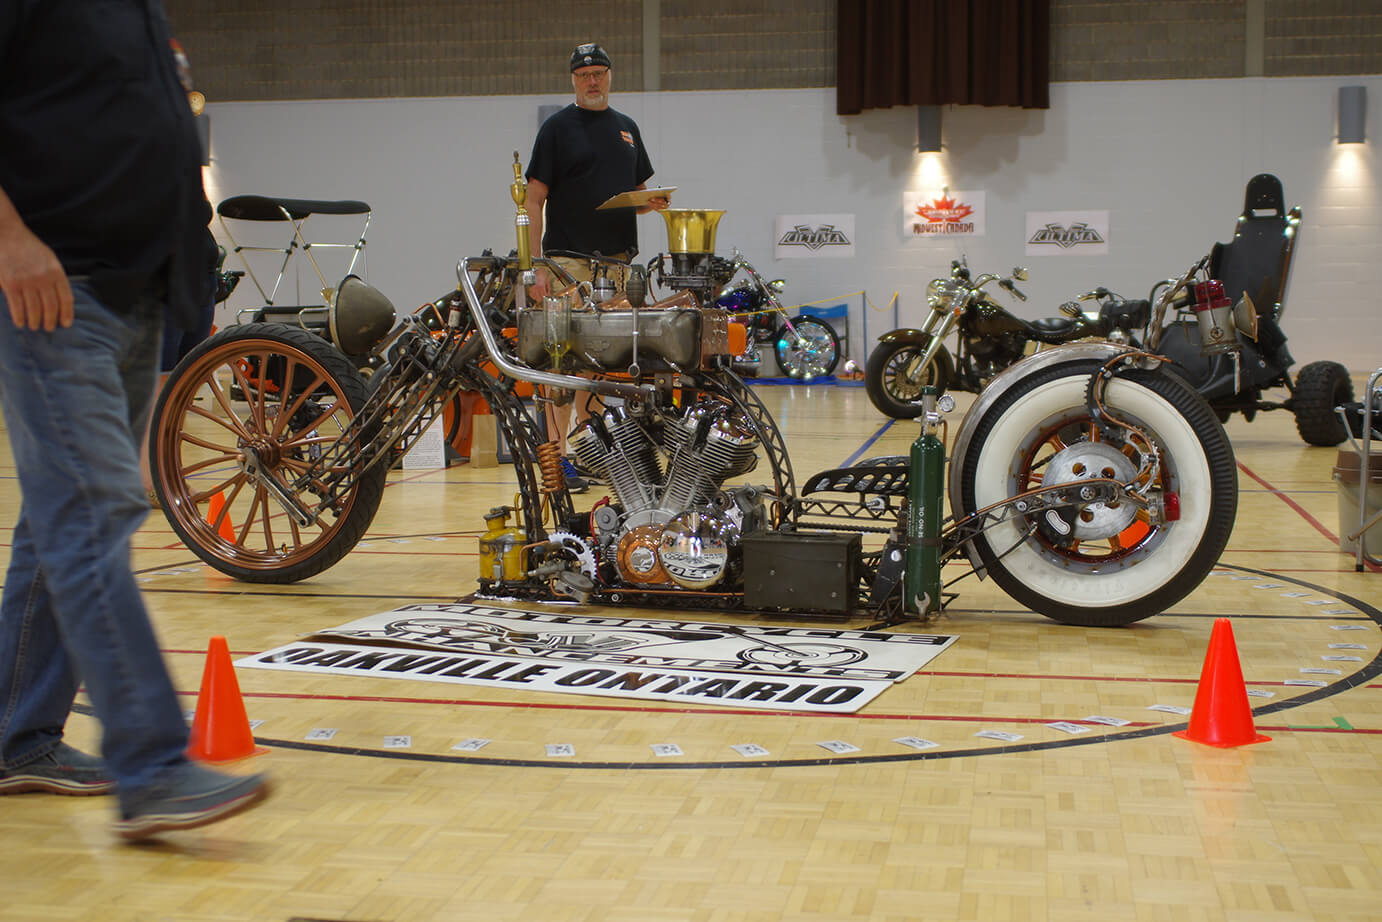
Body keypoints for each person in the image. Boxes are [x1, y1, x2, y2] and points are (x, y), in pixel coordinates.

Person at [0, 0, 270, 841]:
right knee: (94, 512)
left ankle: (17, 736)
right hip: (53, 282)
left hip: (137, 291)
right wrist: (7, 239)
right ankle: (152, 768)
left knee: (59, 526)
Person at [524, 42, 669, 485]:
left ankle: (590, 454)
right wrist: (537, 267)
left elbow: (636, 194)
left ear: (610, 76)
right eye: (584, 74)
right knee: (560, 361)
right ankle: (556, 459)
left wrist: (653, 202)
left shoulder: (627, 128)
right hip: (570, 265)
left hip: (620, 269)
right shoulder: (556, 129)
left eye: (599, 73)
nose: (592, 81)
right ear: (573, 79)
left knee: (601, 366)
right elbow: (533, 200)